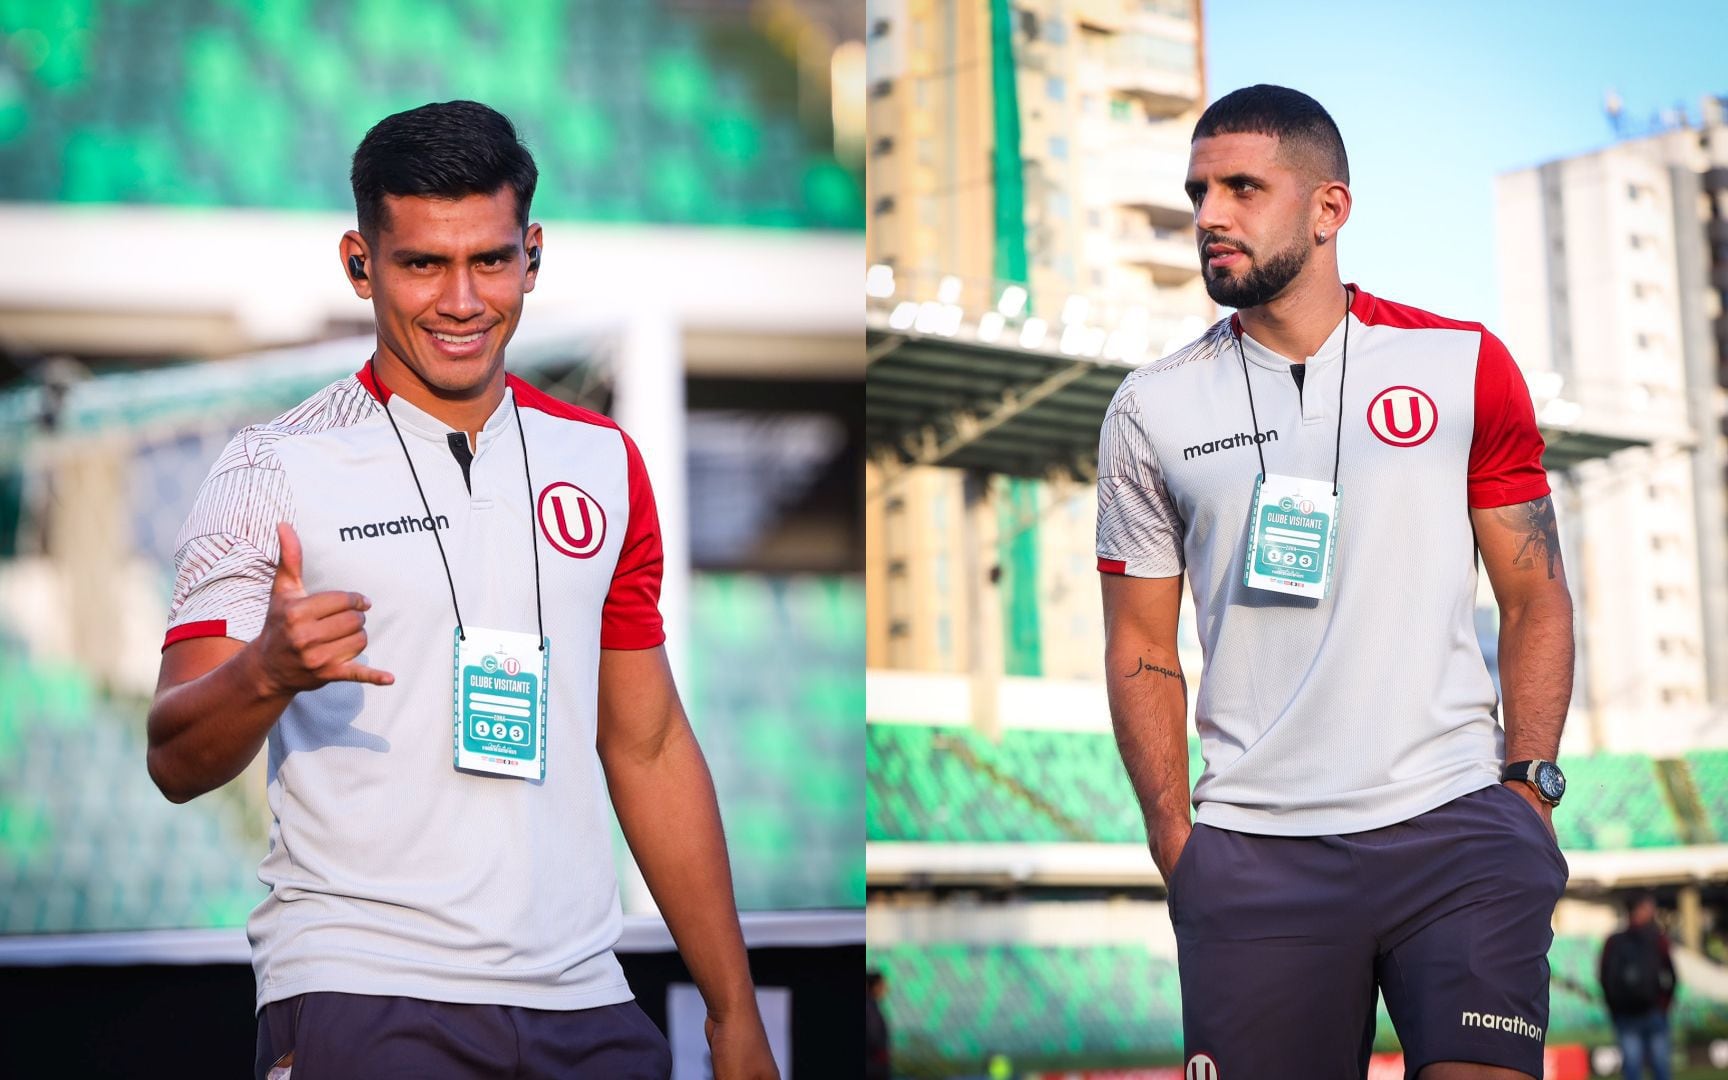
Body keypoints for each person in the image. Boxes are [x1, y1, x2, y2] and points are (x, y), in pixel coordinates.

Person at [145, 100, 777, 1080]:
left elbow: (647, 745)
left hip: (584, 997)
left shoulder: (602, 461)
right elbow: (173, 758)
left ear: (532, 254)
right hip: (363, 984)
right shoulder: (271, 468)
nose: (461, 300)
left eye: (489, 260)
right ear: (360, 264)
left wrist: (735, 1015)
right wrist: (265, 675)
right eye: (422, 264)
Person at [1097, 85, 1574, 1080]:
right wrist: (1179, 843)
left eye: (1241, 187)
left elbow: (1534, 596)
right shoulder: (1150, 408)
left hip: (1455, 832)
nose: (1209, 217)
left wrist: (1528, 787)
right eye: (1196, 193)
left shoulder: (1463, 364)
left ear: (1329, 210)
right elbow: (1140, 643)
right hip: (1253, 855)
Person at [1600, 891, 1678, 1080]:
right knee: (1658, 1068)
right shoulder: (1658, 939)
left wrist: (1615, 1008)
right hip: (1648, 1013)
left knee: (1634, 1069)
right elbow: (1672, 975)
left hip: (1632, 1014)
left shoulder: (1614, 941)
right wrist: (1664, 1005)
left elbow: (1604, 977)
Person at [866, 969, 891, 1080]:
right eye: (882, 984)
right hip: (874, 1067)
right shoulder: (870, 1008)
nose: (886, 989)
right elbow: (873, 1036)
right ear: (875, 986)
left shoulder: (872, 1006)